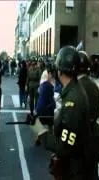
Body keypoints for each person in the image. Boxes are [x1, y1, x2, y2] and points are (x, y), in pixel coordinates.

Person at [30, 46, 92, 180]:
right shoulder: (74, 89)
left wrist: (40, 130)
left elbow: (65, 147)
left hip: (74, 170)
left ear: (60, 71)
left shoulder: (73, 100)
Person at [77, 51, 99, 180]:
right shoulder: (94, 85)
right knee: (93, 174)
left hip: (81, 139)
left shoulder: (76, 88)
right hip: (95, 136)